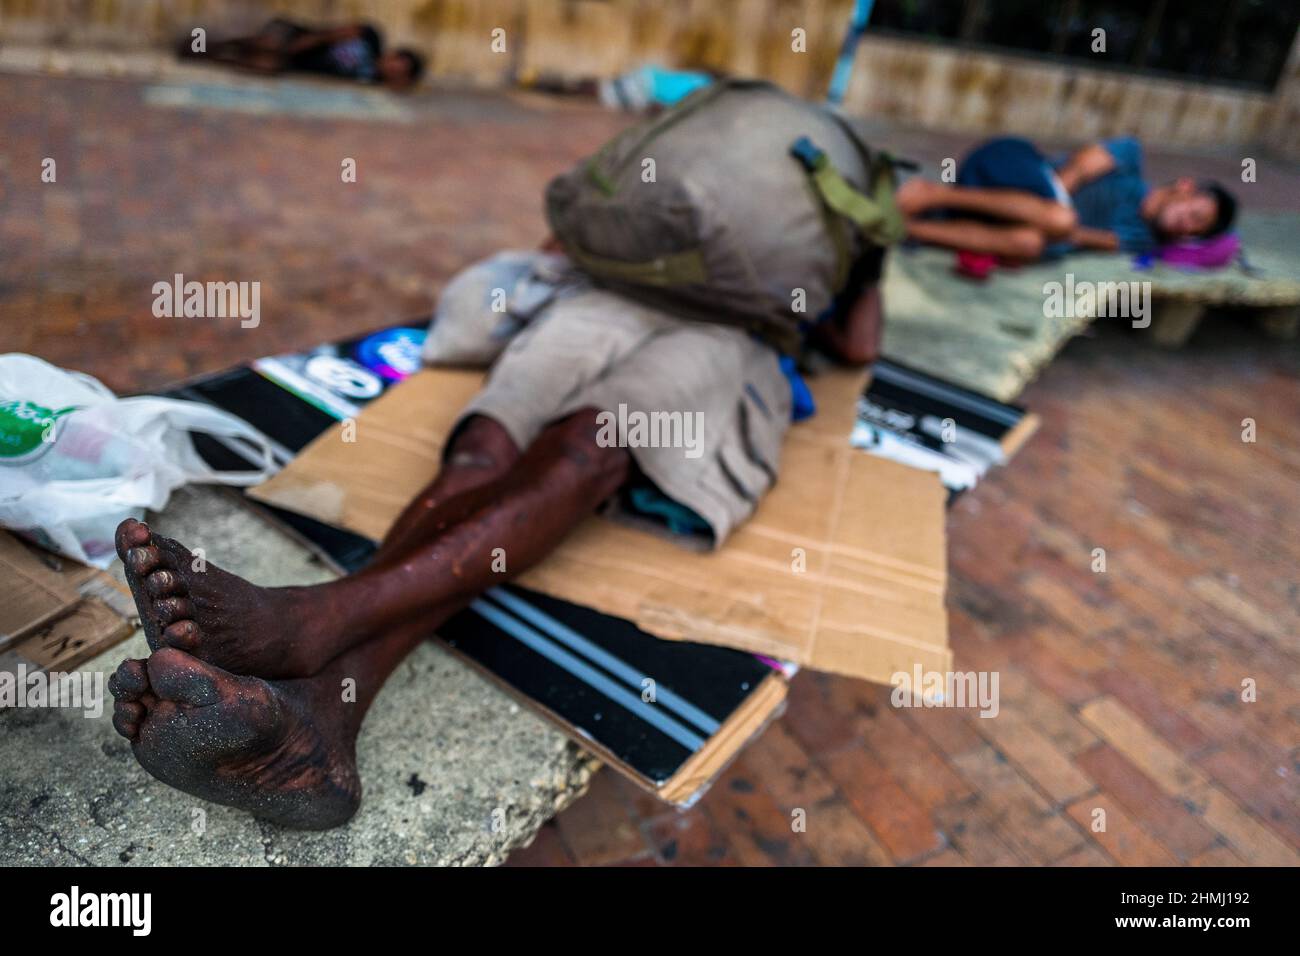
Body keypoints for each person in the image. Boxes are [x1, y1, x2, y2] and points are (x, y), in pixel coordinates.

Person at [106, 246, 885, 830]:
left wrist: (867, 255)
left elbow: (855, 345)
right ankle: (324, 721)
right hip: (611, 293)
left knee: (594, 442)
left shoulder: (843, 201)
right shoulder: (689, 154)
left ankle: (317, 618)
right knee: (481, 451)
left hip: (730, 333)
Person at [895, 136, 1238, 262]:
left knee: (1031, 243)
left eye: (1195, 232)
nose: (1186, 228)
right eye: (1194, 215)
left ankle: (909, 228)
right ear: (1185, 187)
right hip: (1008, 164)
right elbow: (1074, 173)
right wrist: (1053, 214)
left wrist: (1054, 226)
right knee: (1060, 220)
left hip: (1008, 219)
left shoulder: (1141, 238)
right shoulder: (1130, 156)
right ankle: (932, 194)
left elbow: (1084, 238)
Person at [181, 17, 425, 90]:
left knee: (265, 66)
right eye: (397, 63)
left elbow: (403, 90)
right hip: (303, 40)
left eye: (398, 72)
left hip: (300, 64)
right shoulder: (371, 37)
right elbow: (333, 33)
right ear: (394, 54)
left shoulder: (371, 77)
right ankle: (208, 44)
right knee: (270, 44)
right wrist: (305, 42)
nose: (392, 68)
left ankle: (210, 57)